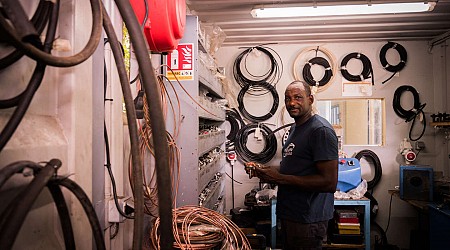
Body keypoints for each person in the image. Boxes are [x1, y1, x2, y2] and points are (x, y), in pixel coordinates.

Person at [246, 80, 338, 250]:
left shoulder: (320, 131)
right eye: (287, 99)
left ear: (310, 99)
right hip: (291, 215)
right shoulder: (296, 130)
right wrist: (263, 170)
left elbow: (329, 182)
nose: (292, 103)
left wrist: (280, 178)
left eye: (298, 97)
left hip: (308, 219)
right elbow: (293, 168)